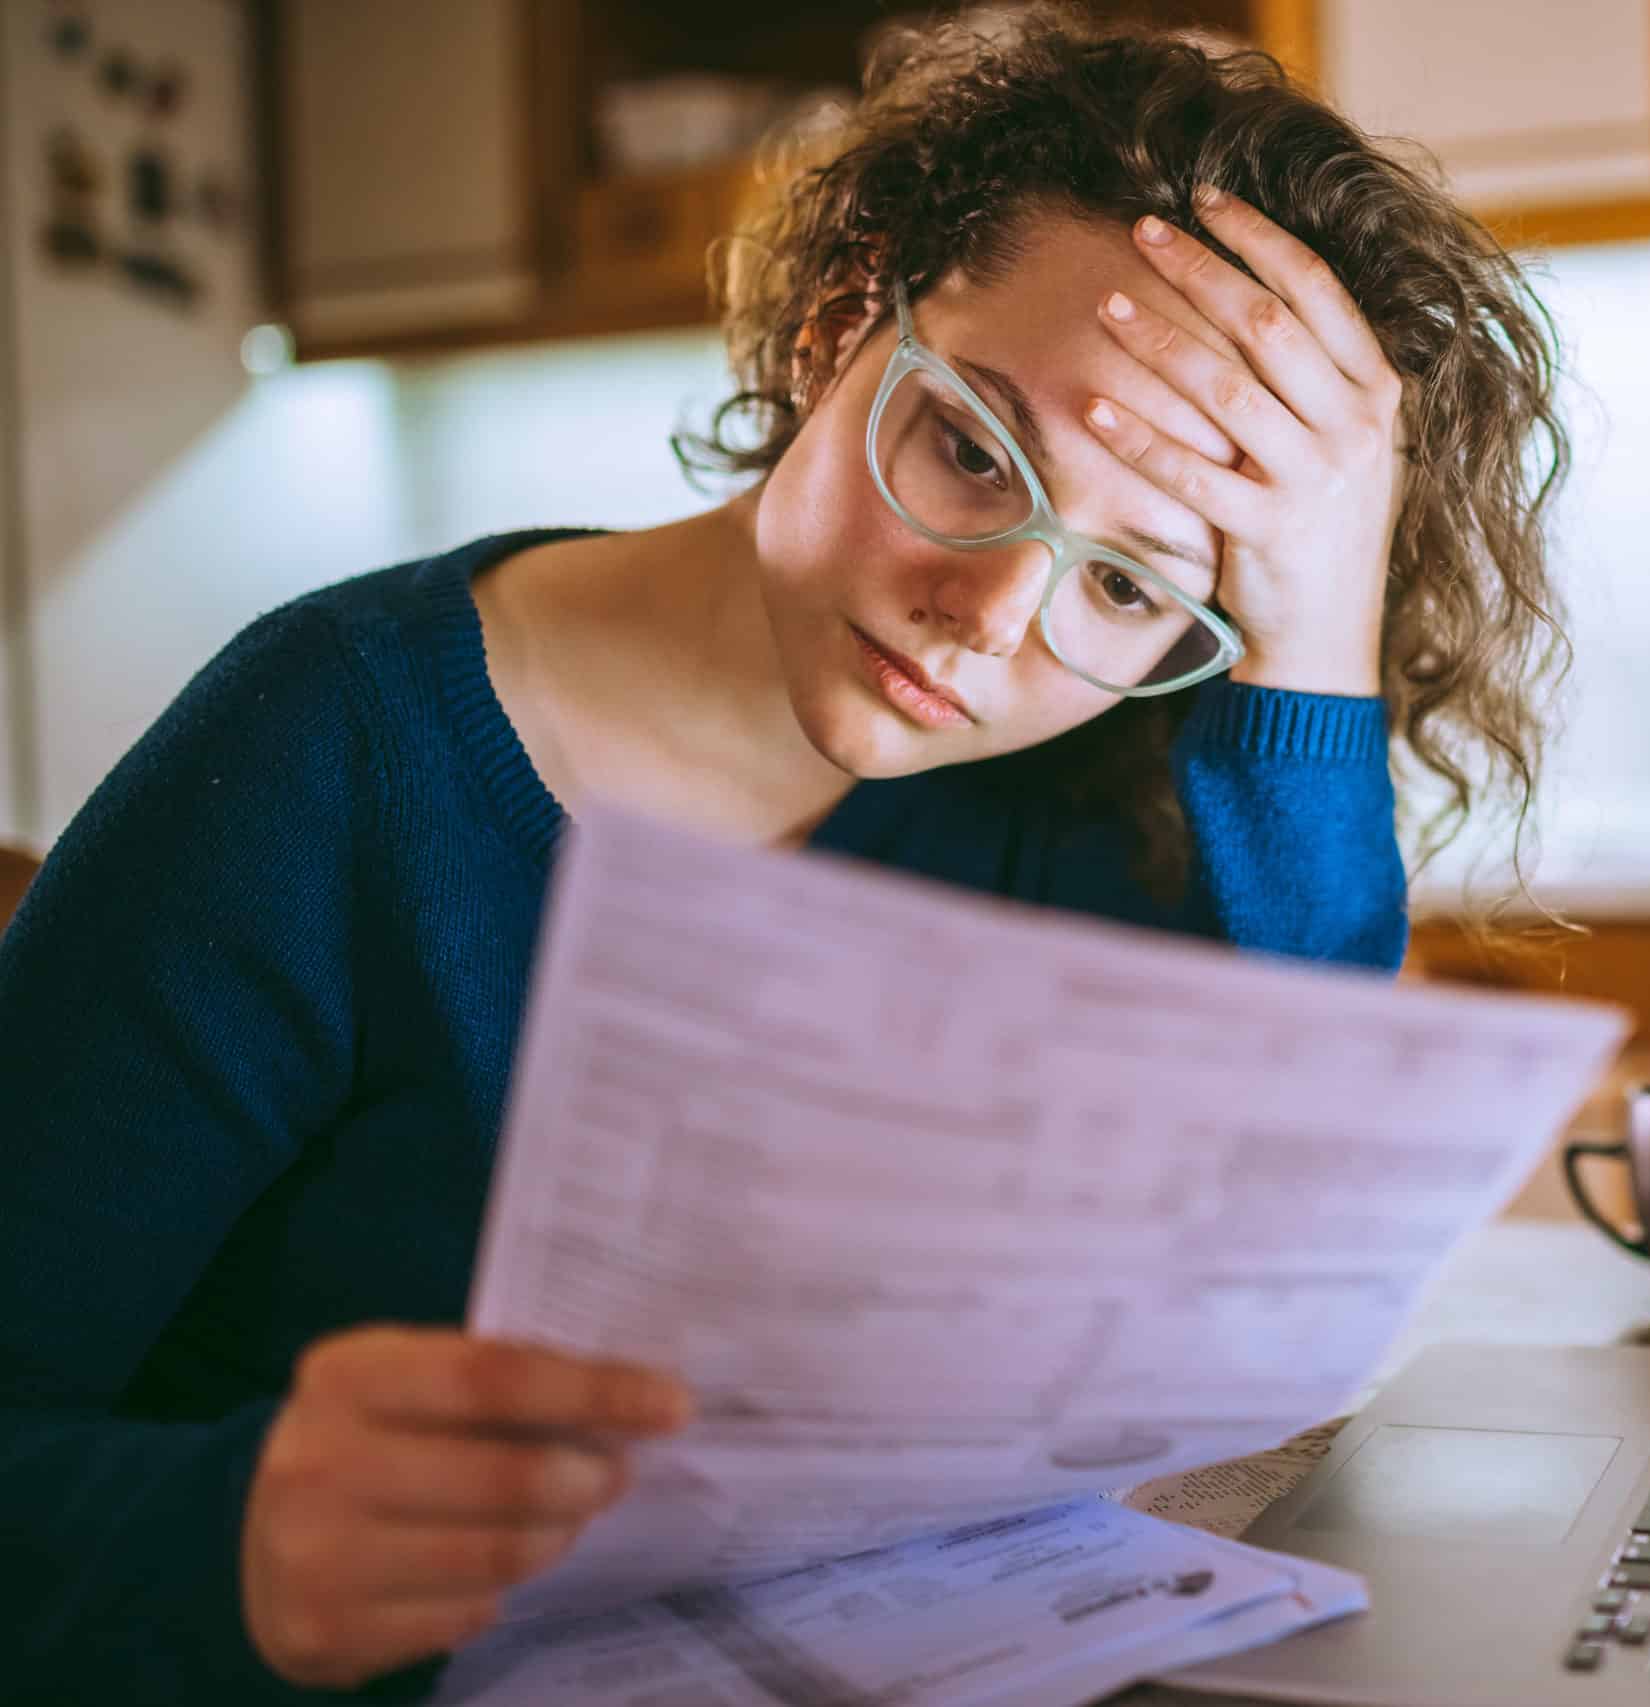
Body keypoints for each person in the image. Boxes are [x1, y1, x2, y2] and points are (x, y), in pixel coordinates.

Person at [0, 7, 1569, 1699]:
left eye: (1133, 586)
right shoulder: (331, 743)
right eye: (973, 450)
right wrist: (233, 1538)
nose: (985, 623)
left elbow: (1287, 1263)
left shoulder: (1079, 804)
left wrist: (1313, 632)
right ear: (841, 324)